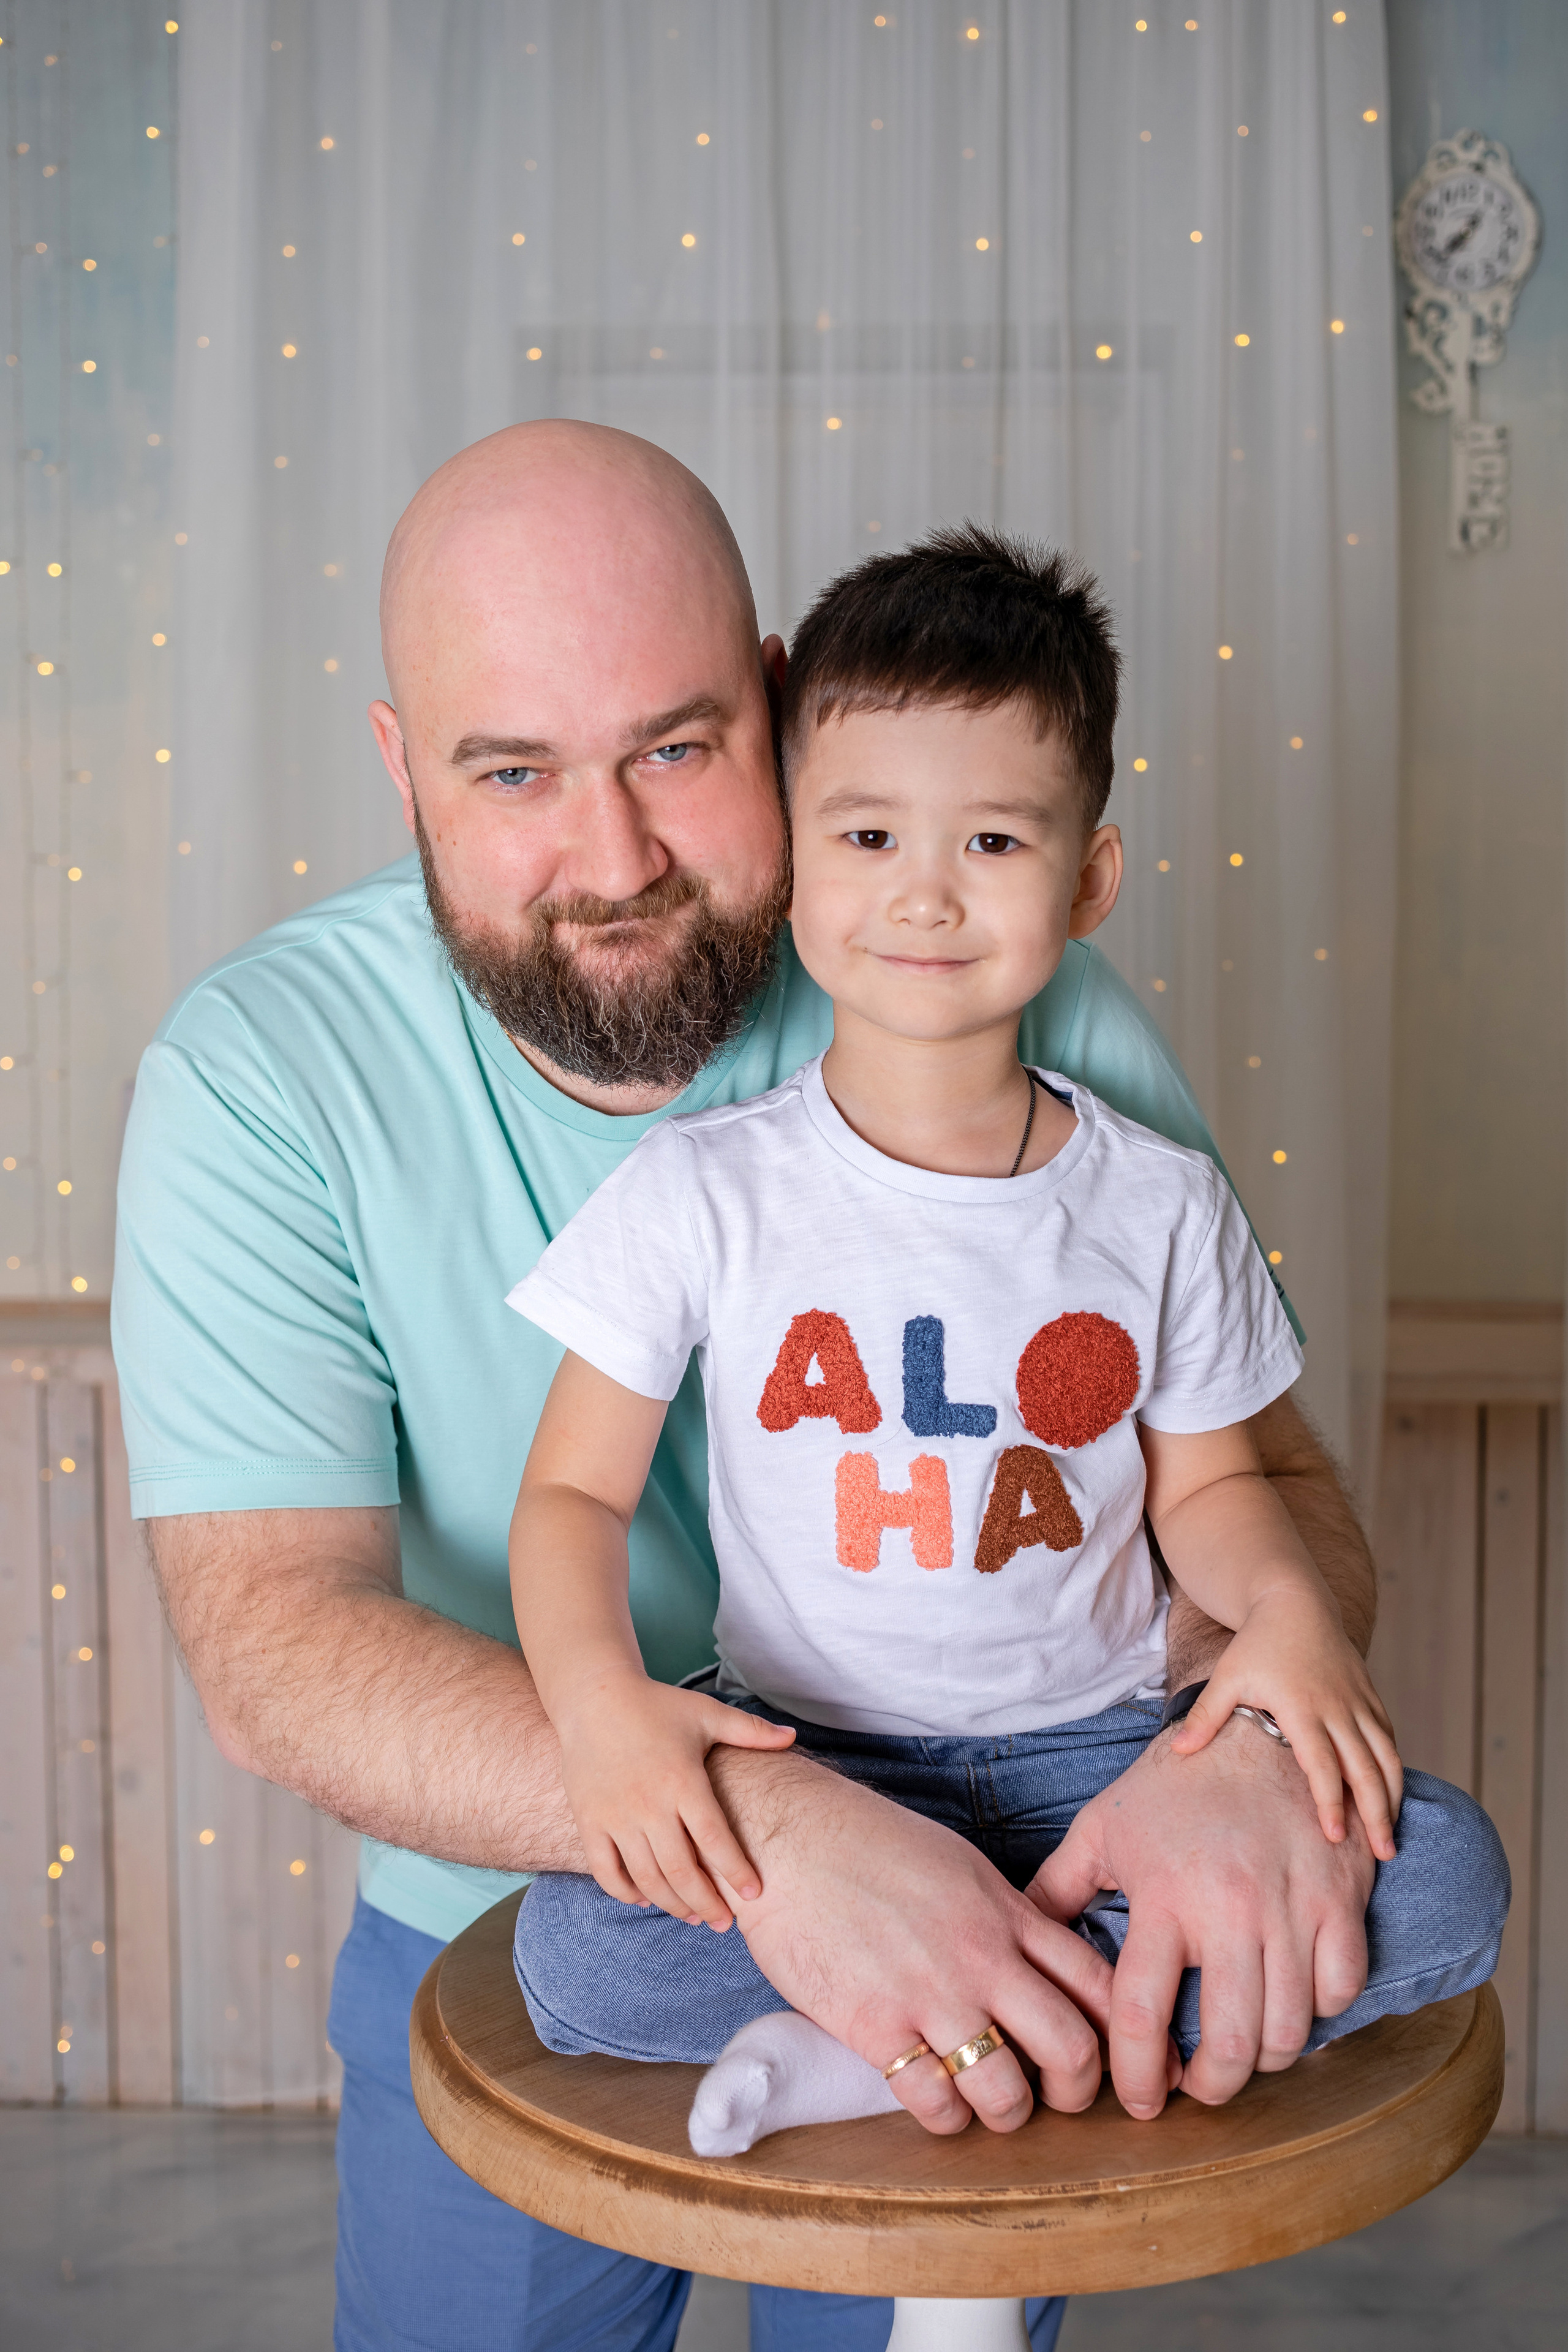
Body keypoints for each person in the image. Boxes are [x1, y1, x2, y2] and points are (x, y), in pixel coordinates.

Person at [111, 421, 1468, 2352]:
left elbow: (1253, 1488)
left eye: (676, 746)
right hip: (529, 1891)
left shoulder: (1010, 1004)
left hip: (1011, 1869)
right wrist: (782, 1846)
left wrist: (1239, 1748)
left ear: (770, 701)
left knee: (1431, 1890)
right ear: (406, 767)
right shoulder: (261, 1072)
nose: (617, 855)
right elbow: (274, 1645)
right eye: (515, 773)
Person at [504, 528, 1498, 2163]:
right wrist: (603, 1707)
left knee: (1450, 1874)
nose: (924, 889)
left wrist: (1295, 1623)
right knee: (576, 1952)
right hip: (807, 1766)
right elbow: (571, 1505)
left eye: (990, 839)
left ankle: (901, 2032)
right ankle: (1059, 2016)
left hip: (1099, 1770)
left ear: (1088, 880)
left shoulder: (1161, 1203)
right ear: (797, 859)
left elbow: (1214, 1492)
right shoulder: (704, 1191)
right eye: (872, 832)